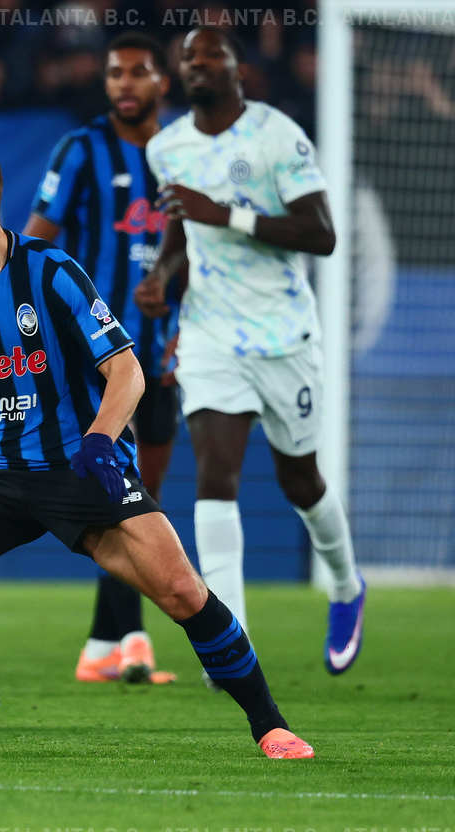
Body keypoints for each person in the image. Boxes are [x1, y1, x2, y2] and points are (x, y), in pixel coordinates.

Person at [0, 142, 314, 759]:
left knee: (181, 593)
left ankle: (270, 725)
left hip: (80, 470)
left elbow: (127, 372)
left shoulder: (52, 272)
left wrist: (99, 441)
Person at [136, 27, 366, 679]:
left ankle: (346, 586)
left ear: (239, 68)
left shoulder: (277, 136)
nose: (198, 64)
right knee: (216, 477)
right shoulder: (166, 148)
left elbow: (322, 235)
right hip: (210, 332)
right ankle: (231, 643)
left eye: (213, 54)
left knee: (301, 481)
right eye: (188, 56)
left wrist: (228, 214)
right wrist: (161, 277)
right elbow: (181, 228)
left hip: (283, 335)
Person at [24, 32, 180, 686]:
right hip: (103, 358)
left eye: (137, 73)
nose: (124, 84)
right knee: (126, 496)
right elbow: (35, 243)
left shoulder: (185, 153)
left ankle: (106, 644)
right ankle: (127, 643)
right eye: (115, 73)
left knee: (143, 499)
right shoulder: (81, 150)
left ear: (161, 82)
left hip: (167, 353)